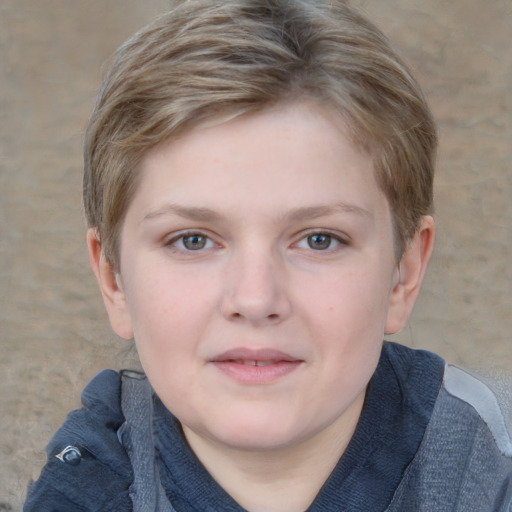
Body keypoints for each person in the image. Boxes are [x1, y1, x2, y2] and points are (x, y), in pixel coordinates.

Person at [24, 1, 512, 510]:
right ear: (114, 280)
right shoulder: (86, 492)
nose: (255, 300)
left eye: (319, 239)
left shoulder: (493, 471)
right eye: (193, 240)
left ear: (403, 274)